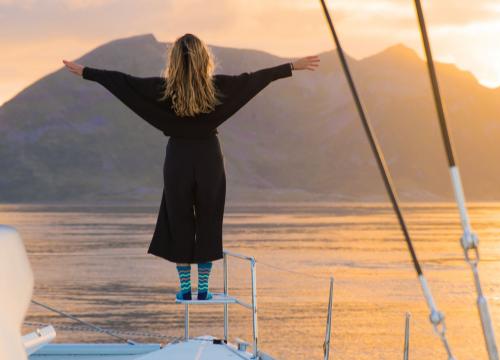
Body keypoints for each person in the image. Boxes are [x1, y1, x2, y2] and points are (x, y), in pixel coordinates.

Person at [63, 33, 320, 301]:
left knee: (179, 217)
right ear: (204, 59)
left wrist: (87, 72)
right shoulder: (217, 88)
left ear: (174, 60)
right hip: (209, 156)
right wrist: (291, 66)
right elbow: (255, 79)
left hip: (178, 157)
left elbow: (124, 83)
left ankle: (186, 288)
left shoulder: (162, 91)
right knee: (209, 217)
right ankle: (204, 289)